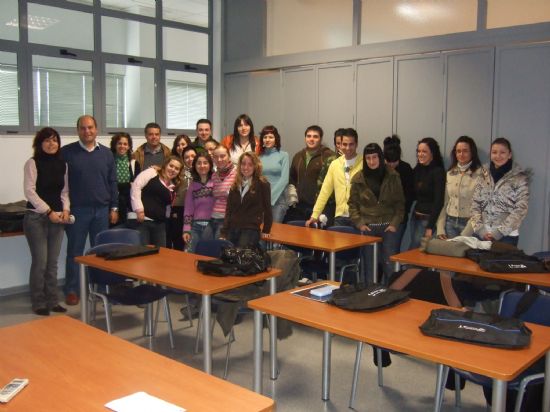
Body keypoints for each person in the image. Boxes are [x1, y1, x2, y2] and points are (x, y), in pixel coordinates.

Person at [62, 115, 118, 306]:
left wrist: (114, 206)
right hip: (78, 211)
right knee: (75, 252)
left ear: (97, 129)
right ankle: (72, 289)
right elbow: (62, 184)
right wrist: (64, 208)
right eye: (83, 128)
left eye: (90, 127)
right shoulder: (67, 153)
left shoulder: (107, 153)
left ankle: (101, 289)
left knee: (101, 252)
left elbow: (112, 182)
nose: (87, 131)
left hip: (102, 210)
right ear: (77, 130)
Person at [23, 127, 70, 315]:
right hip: (36, 218)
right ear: (39, 143)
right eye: (47, 140)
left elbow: (64, 192)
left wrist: (65, 210)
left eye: (55, 140)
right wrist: (48, 211)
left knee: (52, 263)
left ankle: (53, 300)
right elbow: (29, 191)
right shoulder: (32, 163)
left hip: (57, 217)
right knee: (40, 262)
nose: (51, 144)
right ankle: (38, 302)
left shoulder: (63, 164)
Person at [349, 143, 405, 284]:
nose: (372, 161)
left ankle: (392, 294)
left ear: (380, 157)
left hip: (389, 227)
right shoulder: (358, 178)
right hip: (368, 227)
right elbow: (352, 204)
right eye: (368, 158)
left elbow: (400, 204)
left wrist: (394, 224)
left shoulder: (392, 175)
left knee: (389, 264)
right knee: (369, 265)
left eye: (374, 157)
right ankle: (369, 295)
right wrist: (359, 223)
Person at [470, 137, 529, 246]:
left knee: (499, 263)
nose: (498, 156)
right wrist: (480, 230)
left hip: (507, 236)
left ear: (509, 155)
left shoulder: (519, 178)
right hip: (481, 234)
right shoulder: (483, 175)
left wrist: (499, 232)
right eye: (494, 152)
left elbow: (521, 209)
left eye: (502, 152)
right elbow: (475, 204)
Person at [306, 128, 362, 228]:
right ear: (340, 145)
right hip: (340, 217)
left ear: (356, 144)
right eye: (344, 144)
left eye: (351, 144)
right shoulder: (335, 164)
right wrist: (314, 215)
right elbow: (325, 191)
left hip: (360, 217)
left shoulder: (364, 162)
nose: (348, 148)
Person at [128, 156, 183, 246]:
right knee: (143, 253)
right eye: (171, 166)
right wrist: (139, 209)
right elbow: (136, 187)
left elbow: (168, 207)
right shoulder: (152, 172)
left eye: (177, 169)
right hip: (142, 221)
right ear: (165, 165)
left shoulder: (173, 186)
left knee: (160, 254)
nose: (173, 169)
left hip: (159, 224)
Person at [221, 152, 272, 247]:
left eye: (250, 164)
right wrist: (224, 232)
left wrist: (266, 230)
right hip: (233, 227)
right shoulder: (235, 185)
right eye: (243, 164)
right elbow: (229, 210)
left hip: (251, 229)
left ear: (256, 166)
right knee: (227, 255)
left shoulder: (263, 184)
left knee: (240, 255)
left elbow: (267, 209)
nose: (246, 167)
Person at [436, 136, 484, 239]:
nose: (461, 154)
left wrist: (465, 233)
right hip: (450, 223)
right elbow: (445, 202)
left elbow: (482, 208)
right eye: (458, 151)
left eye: (465, 151)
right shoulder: (450, 173)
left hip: (470, 225)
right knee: (449, 255)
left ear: (472, 152)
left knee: (467, 254)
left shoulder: (481, 174)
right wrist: (440, 228)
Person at [286, 125, 335, 222]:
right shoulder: (298, 156)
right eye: (308, 136)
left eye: (315, 136)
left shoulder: (329, 156)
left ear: (320, 139)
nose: (311, 139)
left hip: (320, 207)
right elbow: (292, 178)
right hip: (299, 207)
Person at [409, 137, 445, 249]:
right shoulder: (417, 169)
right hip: (415, 218)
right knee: (415, 250)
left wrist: (430, 226)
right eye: (418, 151)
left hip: (427, 220)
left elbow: (439, 201)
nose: (420, 154)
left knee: (415, 252)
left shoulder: (438, 172)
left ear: (432, 153)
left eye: (424, 151)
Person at [383, 135, 414, 249]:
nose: (391, 165)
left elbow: (409, 196)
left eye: (394, 162)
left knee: (391, 249)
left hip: (399, 217)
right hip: (381, 217)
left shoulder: (406, 169)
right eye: (388, 162)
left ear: (399, 157)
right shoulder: (380, 168)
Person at [183, 153, 215, 252]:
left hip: (212, 226)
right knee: (188, 254)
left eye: (205, 163)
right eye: (199, 163)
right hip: (195, 226)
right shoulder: (192, 186)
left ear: (210, 165)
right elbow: (188, 209)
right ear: (195, 166)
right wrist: (186, 229)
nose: (202, 166)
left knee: (207, 256)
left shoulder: (216, 182)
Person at [204, 145, 237, 239]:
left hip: (227, 220)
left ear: (229, 156)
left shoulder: (237, 174)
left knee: (218, 249)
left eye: (222, 156)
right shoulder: (214, 176)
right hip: (212, 218)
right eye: (216, 157)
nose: (219, 159)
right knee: (203, 246)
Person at [258, 125, 289, 223]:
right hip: (260, 201)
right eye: (265, 137)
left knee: (273, 234)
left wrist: (269, 198)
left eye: (271, 137)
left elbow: (284, 180)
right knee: (261, 234)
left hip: (278, 201)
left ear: (276, 139)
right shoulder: (259, 157)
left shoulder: (284, 155)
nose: (267, 139)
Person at [168, 145, 196, 250]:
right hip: (179, 208)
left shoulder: (202, 170)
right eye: (187, 157)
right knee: (179, 240)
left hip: (196, 210)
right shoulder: (178, 171)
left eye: (193, 156)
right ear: (183, 159)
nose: (190, 159)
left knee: (193, 241)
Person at [110, 132, 140, 226]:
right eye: (119, 143)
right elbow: (109, 185)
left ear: (129, 146)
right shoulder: (108, 161)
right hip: (112, 205)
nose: (122, 146)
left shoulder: (134, 163)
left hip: (129, 206)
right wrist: (127, 185)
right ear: (114, 145)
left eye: (125, 144)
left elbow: (136, 187)